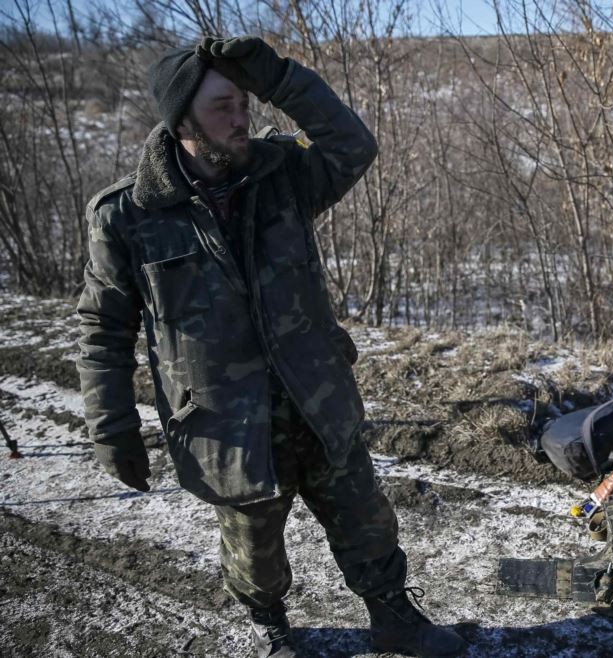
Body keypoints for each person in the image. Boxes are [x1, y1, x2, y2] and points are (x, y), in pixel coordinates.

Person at [76, 35, 466, 658]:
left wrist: (280, 77)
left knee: (364, 518)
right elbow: (103, 329)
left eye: (244, 101)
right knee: (253, 548)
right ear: (182, 122)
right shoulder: (127, 216)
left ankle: (395, 616)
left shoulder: (281, 173)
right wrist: (111, 426)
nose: (241, 117)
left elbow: (352, 145)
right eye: (222, 106)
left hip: (315, 393)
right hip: (225, 421)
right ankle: (269, 628)